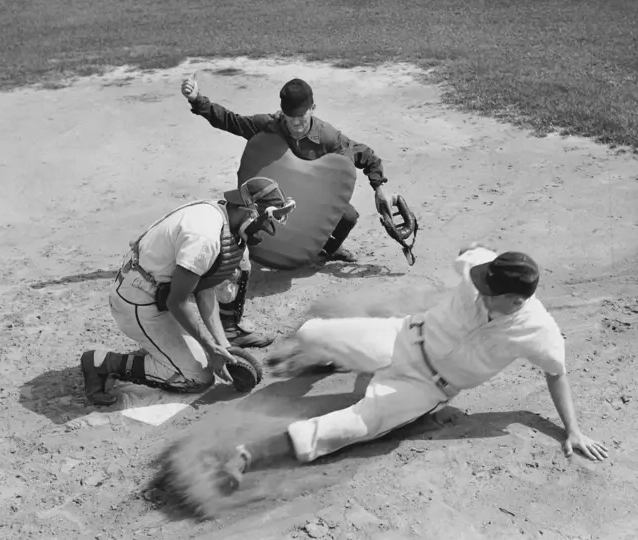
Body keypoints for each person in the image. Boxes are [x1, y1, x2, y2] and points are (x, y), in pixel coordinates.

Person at [205, 243, 609, 489]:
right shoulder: (480, 268)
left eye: (489, 288)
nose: (478, 284)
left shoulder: (538, 330)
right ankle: (332, 360)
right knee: (312, 334)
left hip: (426, 387)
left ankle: (247, 454)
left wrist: (572, 430)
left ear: (515, 301)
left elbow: (557, 372)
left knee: (352, 427)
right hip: (402, 336)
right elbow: (470, 253)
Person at [79, 177, 295, 406]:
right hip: (138, 302)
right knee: (196, 377)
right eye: (264, 221)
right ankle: (102, 363)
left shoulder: (223, 216)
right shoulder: (204, 238)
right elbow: (178, 301)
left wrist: (223, 345)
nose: (265, 230)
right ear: (249, 212)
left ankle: (183, 344)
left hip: (159, 292)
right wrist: (210, 348)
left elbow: (205, 288)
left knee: (239, 262)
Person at [181, 76, 395, 265]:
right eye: (290, 116)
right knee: (239, 213)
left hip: (311, 195)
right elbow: (231, 121)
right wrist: (197, 99)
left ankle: (328, 249)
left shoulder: (327, 136)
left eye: (301, 115)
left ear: (313, 108)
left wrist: (379, 187)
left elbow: (364, 155)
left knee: (348, 217)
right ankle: (242, 246)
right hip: (273, 196)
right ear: (283, 111)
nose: (296, 122)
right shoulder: (269, 125)